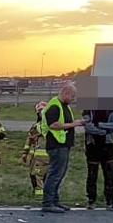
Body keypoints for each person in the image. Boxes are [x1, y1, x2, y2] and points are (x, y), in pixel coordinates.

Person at [38, 83, 81, 213]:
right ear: (66, 93)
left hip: (63, 144)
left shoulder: (63, 106)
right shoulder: (55, 106)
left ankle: (55, 201)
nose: (73, 99)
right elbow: (54, 125)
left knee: (60, 174)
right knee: (55, 174)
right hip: (56, 145)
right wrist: (74, 124)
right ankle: (48, 203)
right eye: (72, 96)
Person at [84, 108, 113, 211]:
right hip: (92, 145)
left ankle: (110, 201)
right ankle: (91, 200)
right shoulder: (88, 110)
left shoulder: (112, 110)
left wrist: (99, 125)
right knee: (92, 174)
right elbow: (88, 127)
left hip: (108, 145)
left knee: (110, 175)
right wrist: (104, 131)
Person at [24, 102, 50, 198]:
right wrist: (25, 153)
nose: (42, 114)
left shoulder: (51, 126)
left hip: (48, 155)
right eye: (40, 112)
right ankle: (37, 191)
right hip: (36, 155)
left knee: (41, 175)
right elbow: (29, 140)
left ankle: (41, 195)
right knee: (33, 174)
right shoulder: (35, 126)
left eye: (44, 112)